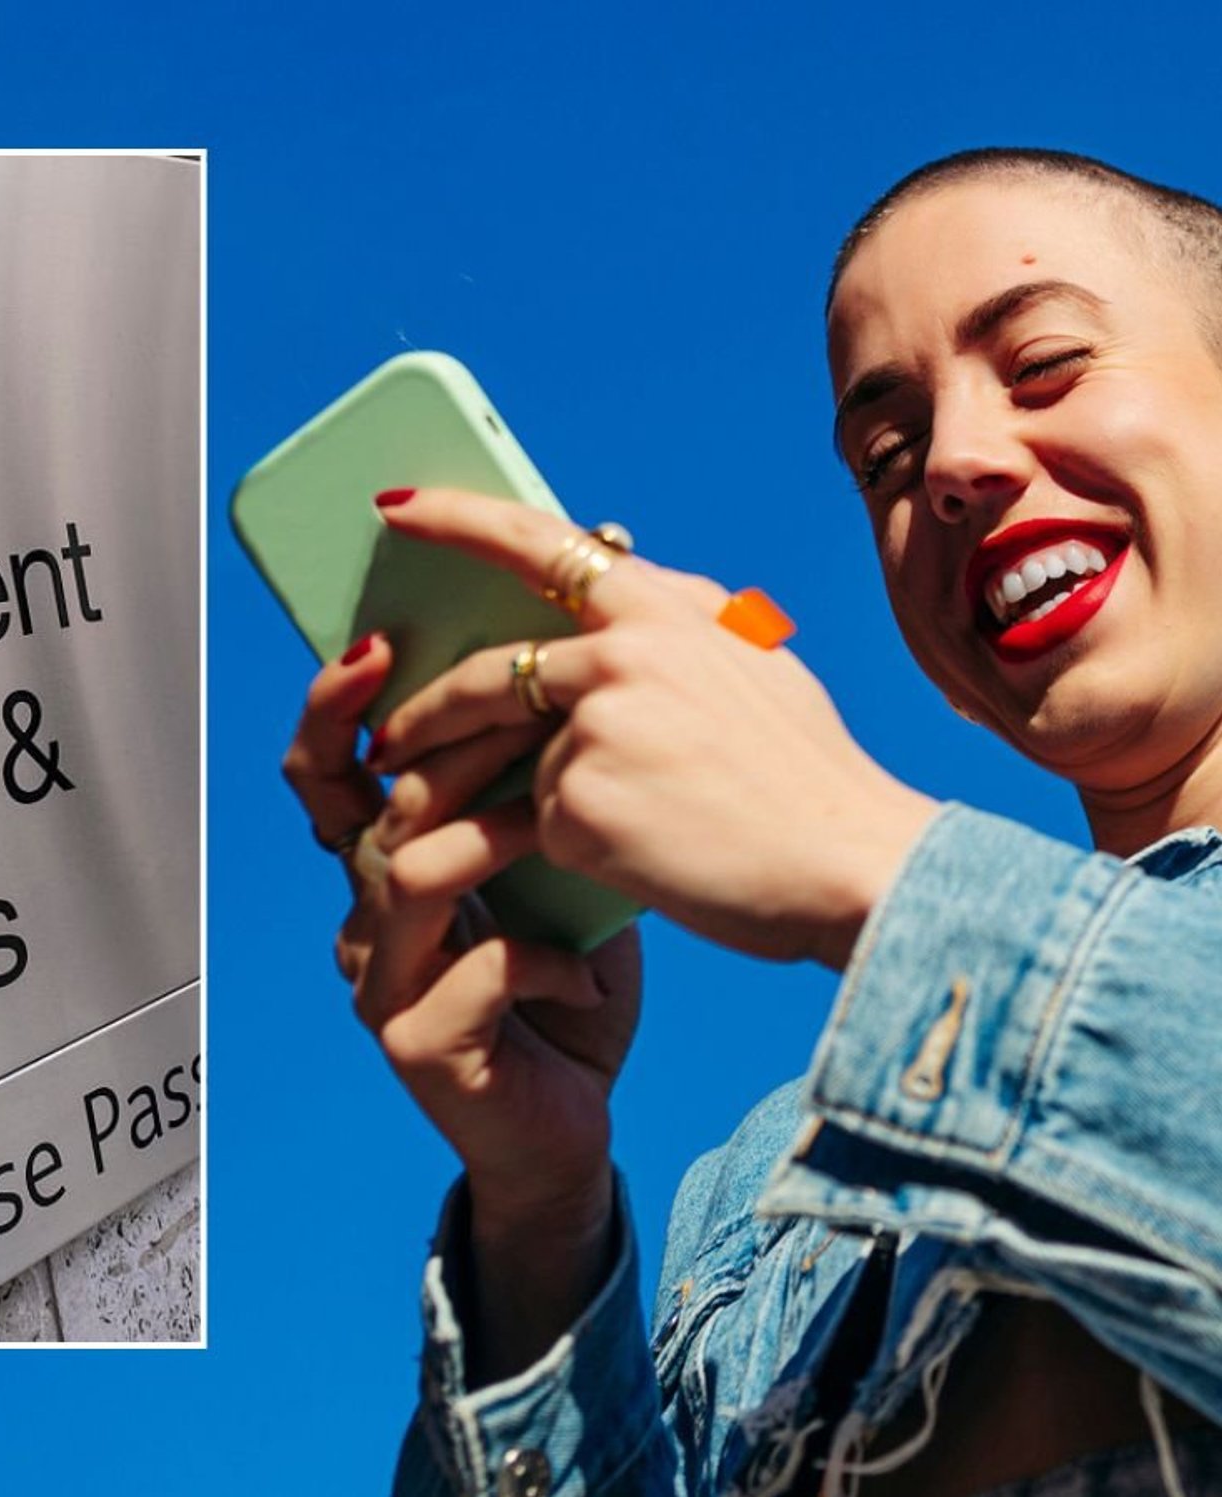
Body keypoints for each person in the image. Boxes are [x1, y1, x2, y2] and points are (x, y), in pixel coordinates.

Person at [283, 148, 1222, 1496]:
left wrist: (869, 860)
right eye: (886, 454)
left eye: (1047, 364)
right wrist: (539, 1217)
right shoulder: (767, 1188)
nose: (952, 461)